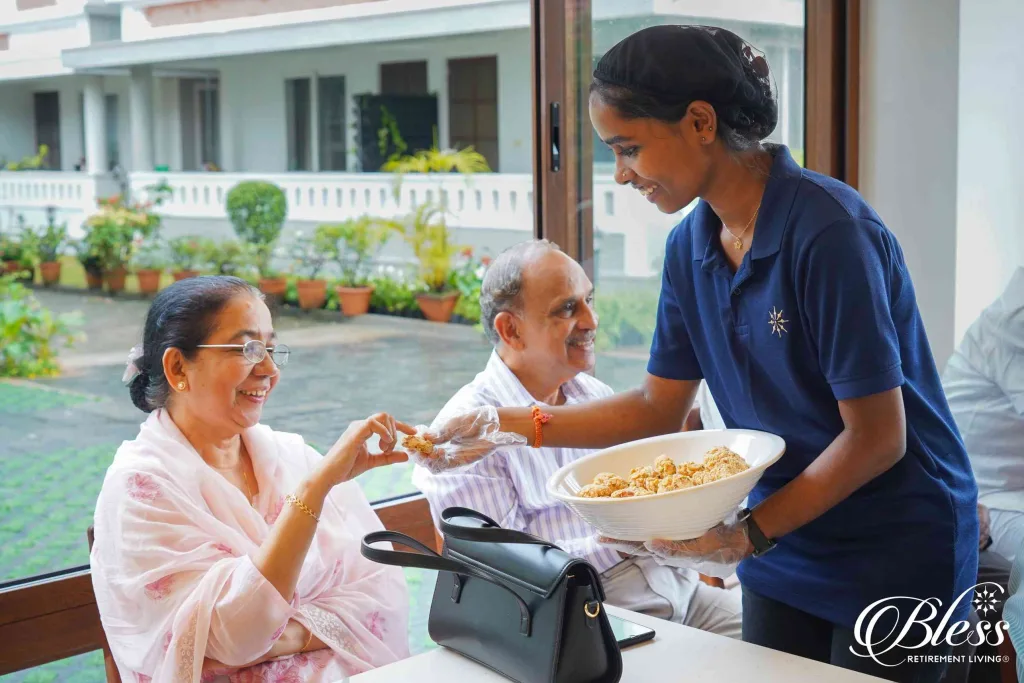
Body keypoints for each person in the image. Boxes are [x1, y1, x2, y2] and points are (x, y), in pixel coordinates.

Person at [417, 25, 978, 682]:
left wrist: (745, 536)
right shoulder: (690, 249)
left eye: (628, 149)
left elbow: (879, 438)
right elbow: (659, 406)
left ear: (701, 122)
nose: (621, 174)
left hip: (893, 540)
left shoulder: (830, 233)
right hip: (784, 538)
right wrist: (504, 425)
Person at [412, 240, 742, 638]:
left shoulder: (594, 396)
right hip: (582, 619)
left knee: (787, 657)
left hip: (680, 590)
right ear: (510, 329)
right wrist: (622, 543)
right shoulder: (466, 434)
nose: (592, 320)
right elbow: (509, 576)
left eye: (589, 300)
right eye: (568, 308)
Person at [91, 276, 414, 683]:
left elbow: (379, 590)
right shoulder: (140, 491)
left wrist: (286, 636)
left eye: (271, 349)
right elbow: (238, 638)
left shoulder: (290, 456)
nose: (269, 370)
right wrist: (314, 490)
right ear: (177, 367)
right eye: (248, 349)